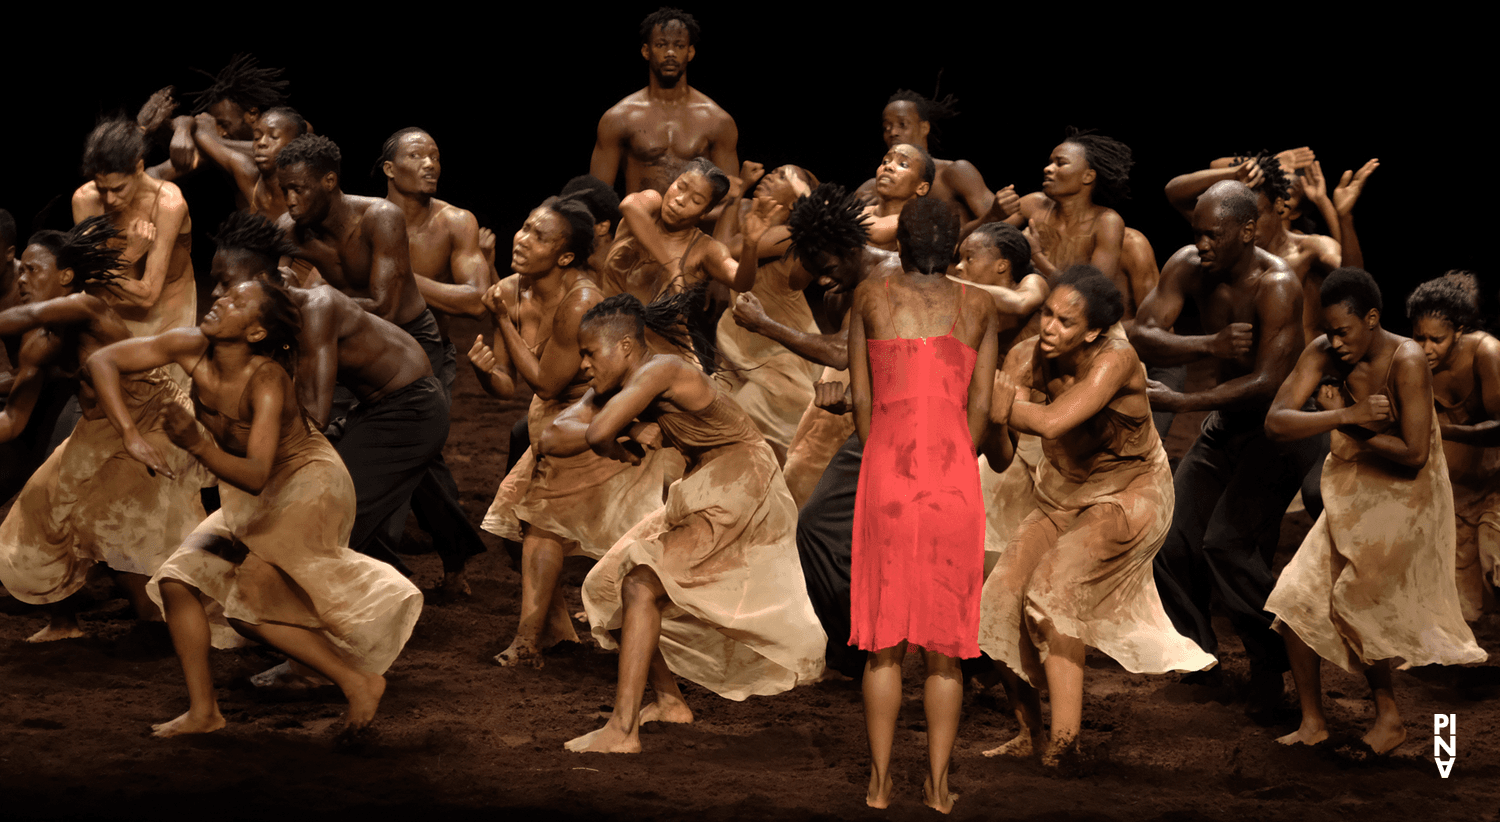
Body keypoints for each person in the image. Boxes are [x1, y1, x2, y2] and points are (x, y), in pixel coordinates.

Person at [87, 275, 423, 739]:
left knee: (251, 613)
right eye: (222, 292)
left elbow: (257, 472)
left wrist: (196, 444)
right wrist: (130, 433)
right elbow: (103, 359)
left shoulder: (267, 381)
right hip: (253, 497)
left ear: (257, 333)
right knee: (177, 582)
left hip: (310, 489)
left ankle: (359, 681)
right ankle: (204, 712)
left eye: (236, 301)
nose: (220, 299)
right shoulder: (189, 346)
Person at [558, 292, 824, 754]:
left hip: (740, 485)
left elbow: (595, 433)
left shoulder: (661, 369)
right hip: (704, 483)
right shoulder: (633, 378)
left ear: (624, 346)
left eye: (589, 353)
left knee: (642, 582)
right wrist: (631, 429)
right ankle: (668, 701)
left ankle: (622, 730)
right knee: (609, 583)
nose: (582, 365)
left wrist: (620, 435)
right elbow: (552, 434)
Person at [979, 266, 1216, 767]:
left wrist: (985, 402)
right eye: (1046, 313)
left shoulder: (1115, 359)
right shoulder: (1026, 359)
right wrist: (995, 418)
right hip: (1061, 496)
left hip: (1129, 494)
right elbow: (1001, 455)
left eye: (1065, 322)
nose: (1048, 327)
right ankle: (1029, 733)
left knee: (1053, 593)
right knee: (999, 598)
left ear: (1091, 331)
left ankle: (1065, 745)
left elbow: (1051, 420)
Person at [1264, 267, 1485, 753]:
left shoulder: (1406, 360)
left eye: (1344, 331)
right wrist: (1346, 414)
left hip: (1406, 494)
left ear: (1371, 319)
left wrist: (1355, 425)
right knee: (1294, 601)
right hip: (1351, 484)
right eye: (1329, 332)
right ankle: (1313, 723)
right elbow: (1277, 422)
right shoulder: (1323, 351)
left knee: (1356, 601)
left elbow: (1414, 453)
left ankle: (1389, 720)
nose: (1335, 343)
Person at [1129, 180, 1319, 711]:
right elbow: (1144, 332)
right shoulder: (1188, 265)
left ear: (1247, 231)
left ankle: (1275, 658)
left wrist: (1185, 403)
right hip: (1226, 423)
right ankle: (1200, 654)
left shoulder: (1276, 285)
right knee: (1170, 537)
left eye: (1214, 235)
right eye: (1197, 234)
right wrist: (1207, 344)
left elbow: (1266, 382)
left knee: (1226, 545)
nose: (1203, 244)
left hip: (1278, 430)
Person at [474, 196, 678, 668]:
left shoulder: (581, 301)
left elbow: (548, 382)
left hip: (596, 417)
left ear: (566, 257)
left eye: (539, 236)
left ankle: (531, 642)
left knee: (552, 525)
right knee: (530, 526)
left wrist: (502, 318)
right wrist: (486, 371)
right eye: (524, 227)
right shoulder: (511, 289)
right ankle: (556, 632)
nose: (522, 240)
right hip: (552, 418)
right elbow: (508, 386)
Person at [276, 133, 486, 588]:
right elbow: (268, 285)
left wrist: (316, 303)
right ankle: (380, 565)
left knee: (418, 453)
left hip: (411, 339)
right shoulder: (289, 232)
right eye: (285, 190)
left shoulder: (379, 217)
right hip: (347, 338)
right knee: (340, 439)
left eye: (300, 190)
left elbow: (385, 307)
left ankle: (452, 558)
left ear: (329, 182)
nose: (290, 202)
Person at [847, 196, 998, 813]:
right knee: (945, 647)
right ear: (957, 249)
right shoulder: (981, 306)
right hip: (953, 477)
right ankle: (937, 787)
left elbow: (860, 404)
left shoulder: (869, 297)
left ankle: (879, 785)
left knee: (884, 643)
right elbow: (982, 411)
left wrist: (887, 446)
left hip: (885, 471)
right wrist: (955, 454)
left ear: (900, 246)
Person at [0, 218, 205, 642]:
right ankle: (64, 622)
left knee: (135, 528)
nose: (22, 278)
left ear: (66, 276)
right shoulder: (39, 344)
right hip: (98, 430)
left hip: (153, 418)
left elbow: (26, 313)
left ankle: (166, 620)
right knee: (41, 505)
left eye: (32, 270)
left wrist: (133, 438)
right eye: (20, 271)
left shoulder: (86, 305)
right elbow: (12, 421)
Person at [712, 164, 823, 462]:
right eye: (773, 171)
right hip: (745, 345)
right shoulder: (748, 211)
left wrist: (737, 202)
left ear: (795, 201)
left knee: (754, 426)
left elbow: (725, 249)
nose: (771, 175)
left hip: (783, 355)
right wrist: (736, 195)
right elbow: (715, 249)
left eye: (784, 176)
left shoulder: (789, 234)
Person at [1407, 272, 1500, 619]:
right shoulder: (1412, 359)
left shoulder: (1485, 351)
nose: (1426, 347)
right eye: (1419, 337)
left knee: (1497, 564)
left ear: (1459, 332)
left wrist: (1443, 431)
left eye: (1437, 339)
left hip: (1493, 483)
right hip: (1453, 491)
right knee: (1464, 599)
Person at [71, 119, 197, 348]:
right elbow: (89, 280)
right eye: (102, 189)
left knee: (160, 380)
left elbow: (148, 295)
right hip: (114, 300)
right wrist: (130, 254)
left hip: (167, 300)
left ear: (139, 168)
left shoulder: (168, 203)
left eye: (118, 189)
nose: (109, 199)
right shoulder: (86, 199)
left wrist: (102, 273)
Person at [591, 7, 738, 197]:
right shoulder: (619, 118)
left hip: (696, 226)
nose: (670, 53)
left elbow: (729, 198)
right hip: (637, 222)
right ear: (646, 51)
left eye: (679, 45)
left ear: (690, 52)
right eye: (661, 45)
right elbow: (596, 196)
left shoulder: (717, 121)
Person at [853, 89, 994, 233]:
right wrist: (857, 212)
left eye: (902, 124)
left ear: (924, 128)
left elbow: (1005, 220)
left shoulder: (954, 173)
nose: (892, 132)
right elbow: (837, 231)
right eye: (886, 128)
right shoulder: (873, 188)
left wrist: (995, 214)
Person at [152, 54, 291, 180]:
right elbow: (154, 174)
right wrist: (182, 128)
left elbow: (279, 152)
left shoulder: (294, 128)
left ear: (252, 114)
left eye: (224, 124)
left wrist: (211, 139)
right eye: (217, 126)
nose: (222, 132)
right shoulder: (217, 148)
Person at [183, 106, 308, 218]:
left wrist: (216, 139)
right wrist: (182, 130)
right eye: (257, 137)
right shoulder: (248, 175)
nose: (261, 143)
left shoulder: (309, 191)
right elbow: (202, 135)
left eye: (273, 137)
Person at [860, 143, 933, 251]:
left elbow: (877, 232)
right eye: (885, 161)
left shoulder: (919, 218)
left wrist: (841, 214)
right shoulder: (861, 212)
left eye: (903, 164)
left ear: (921, 188)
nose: (888, 167)